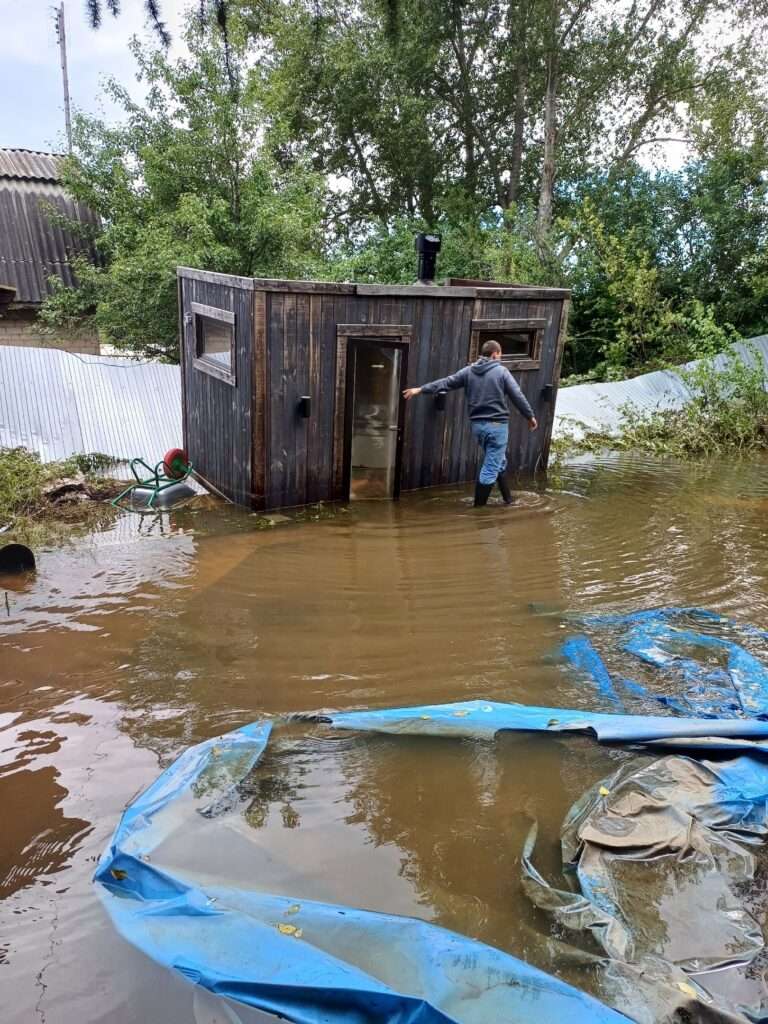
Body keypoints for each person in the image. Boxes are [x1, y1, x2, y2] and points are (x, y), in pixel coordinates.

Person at [403, 339, 538, 507]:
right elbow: (517, 395)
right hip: (497, 426)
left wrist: (421, 389)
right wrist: (530, 416)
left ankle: (508, 500)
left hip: (478, 427)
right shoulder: (501, 372)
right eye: (501, 355)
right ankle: (479, 511)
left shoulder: (468, 371)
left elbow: (446, 382)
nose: (501, 358)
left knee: (498, 461)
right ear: (495, 354)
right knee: (490, 467)